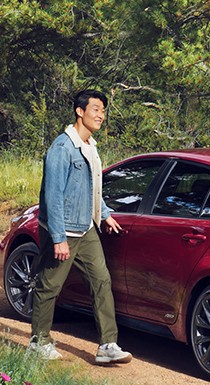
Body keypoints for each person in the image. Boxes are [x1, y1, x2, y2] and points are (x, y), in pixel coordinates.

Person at [28, 89, 132, 364]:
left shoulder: (90, 147)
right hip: (63, 230)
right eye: (96, 109)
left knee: (101, 281)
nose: (101, 115)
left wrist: (105, 214)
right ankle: (39, 342)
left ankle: (108, 345)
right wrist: (59, 237)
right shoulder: (62, 148)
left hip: (86, 228)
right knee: (49, 286)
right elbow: (53, 196)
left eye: (103, 111)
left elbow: (91, 188)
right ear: (79, 111)